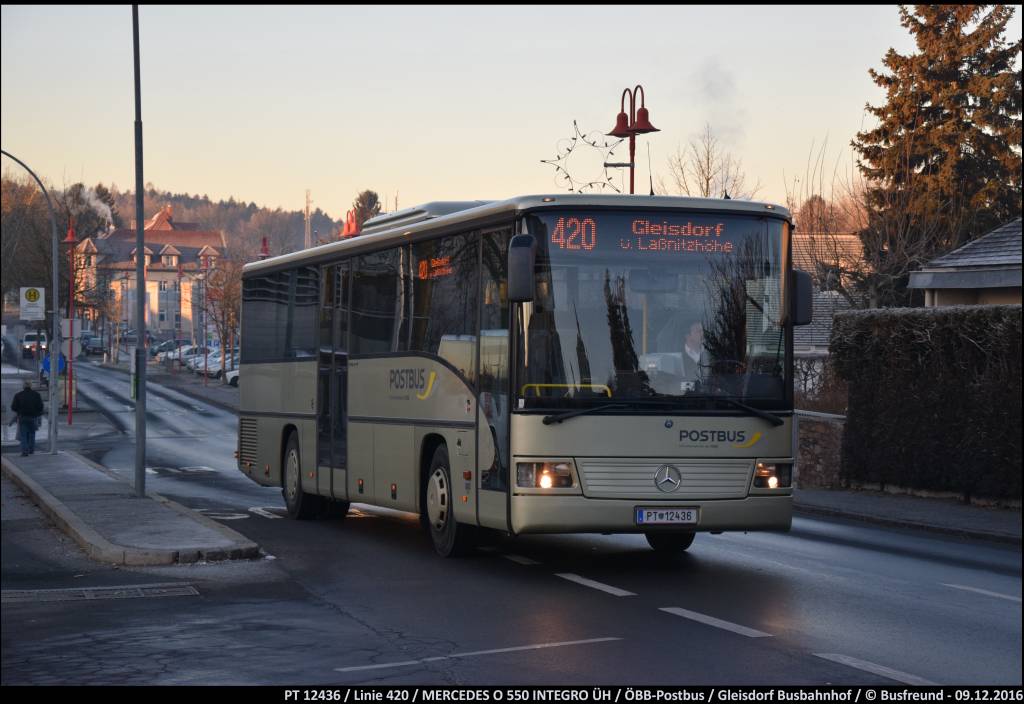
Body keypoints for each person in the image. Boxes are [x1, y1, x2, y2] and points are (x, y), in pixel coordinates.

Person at [10, 378, 44, 456]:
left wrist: (19, 410)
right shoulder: (36, 395)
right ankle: (31, 449)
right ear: (31, 386)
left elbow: (13, 407)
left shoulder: (18, 395)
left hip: (22, 417)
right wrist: (36, 412)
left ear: (23, 386)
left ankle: (25, 451)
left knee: (23, 435)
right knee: (32, 433)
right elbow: (40, 407)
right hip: (33, 417)